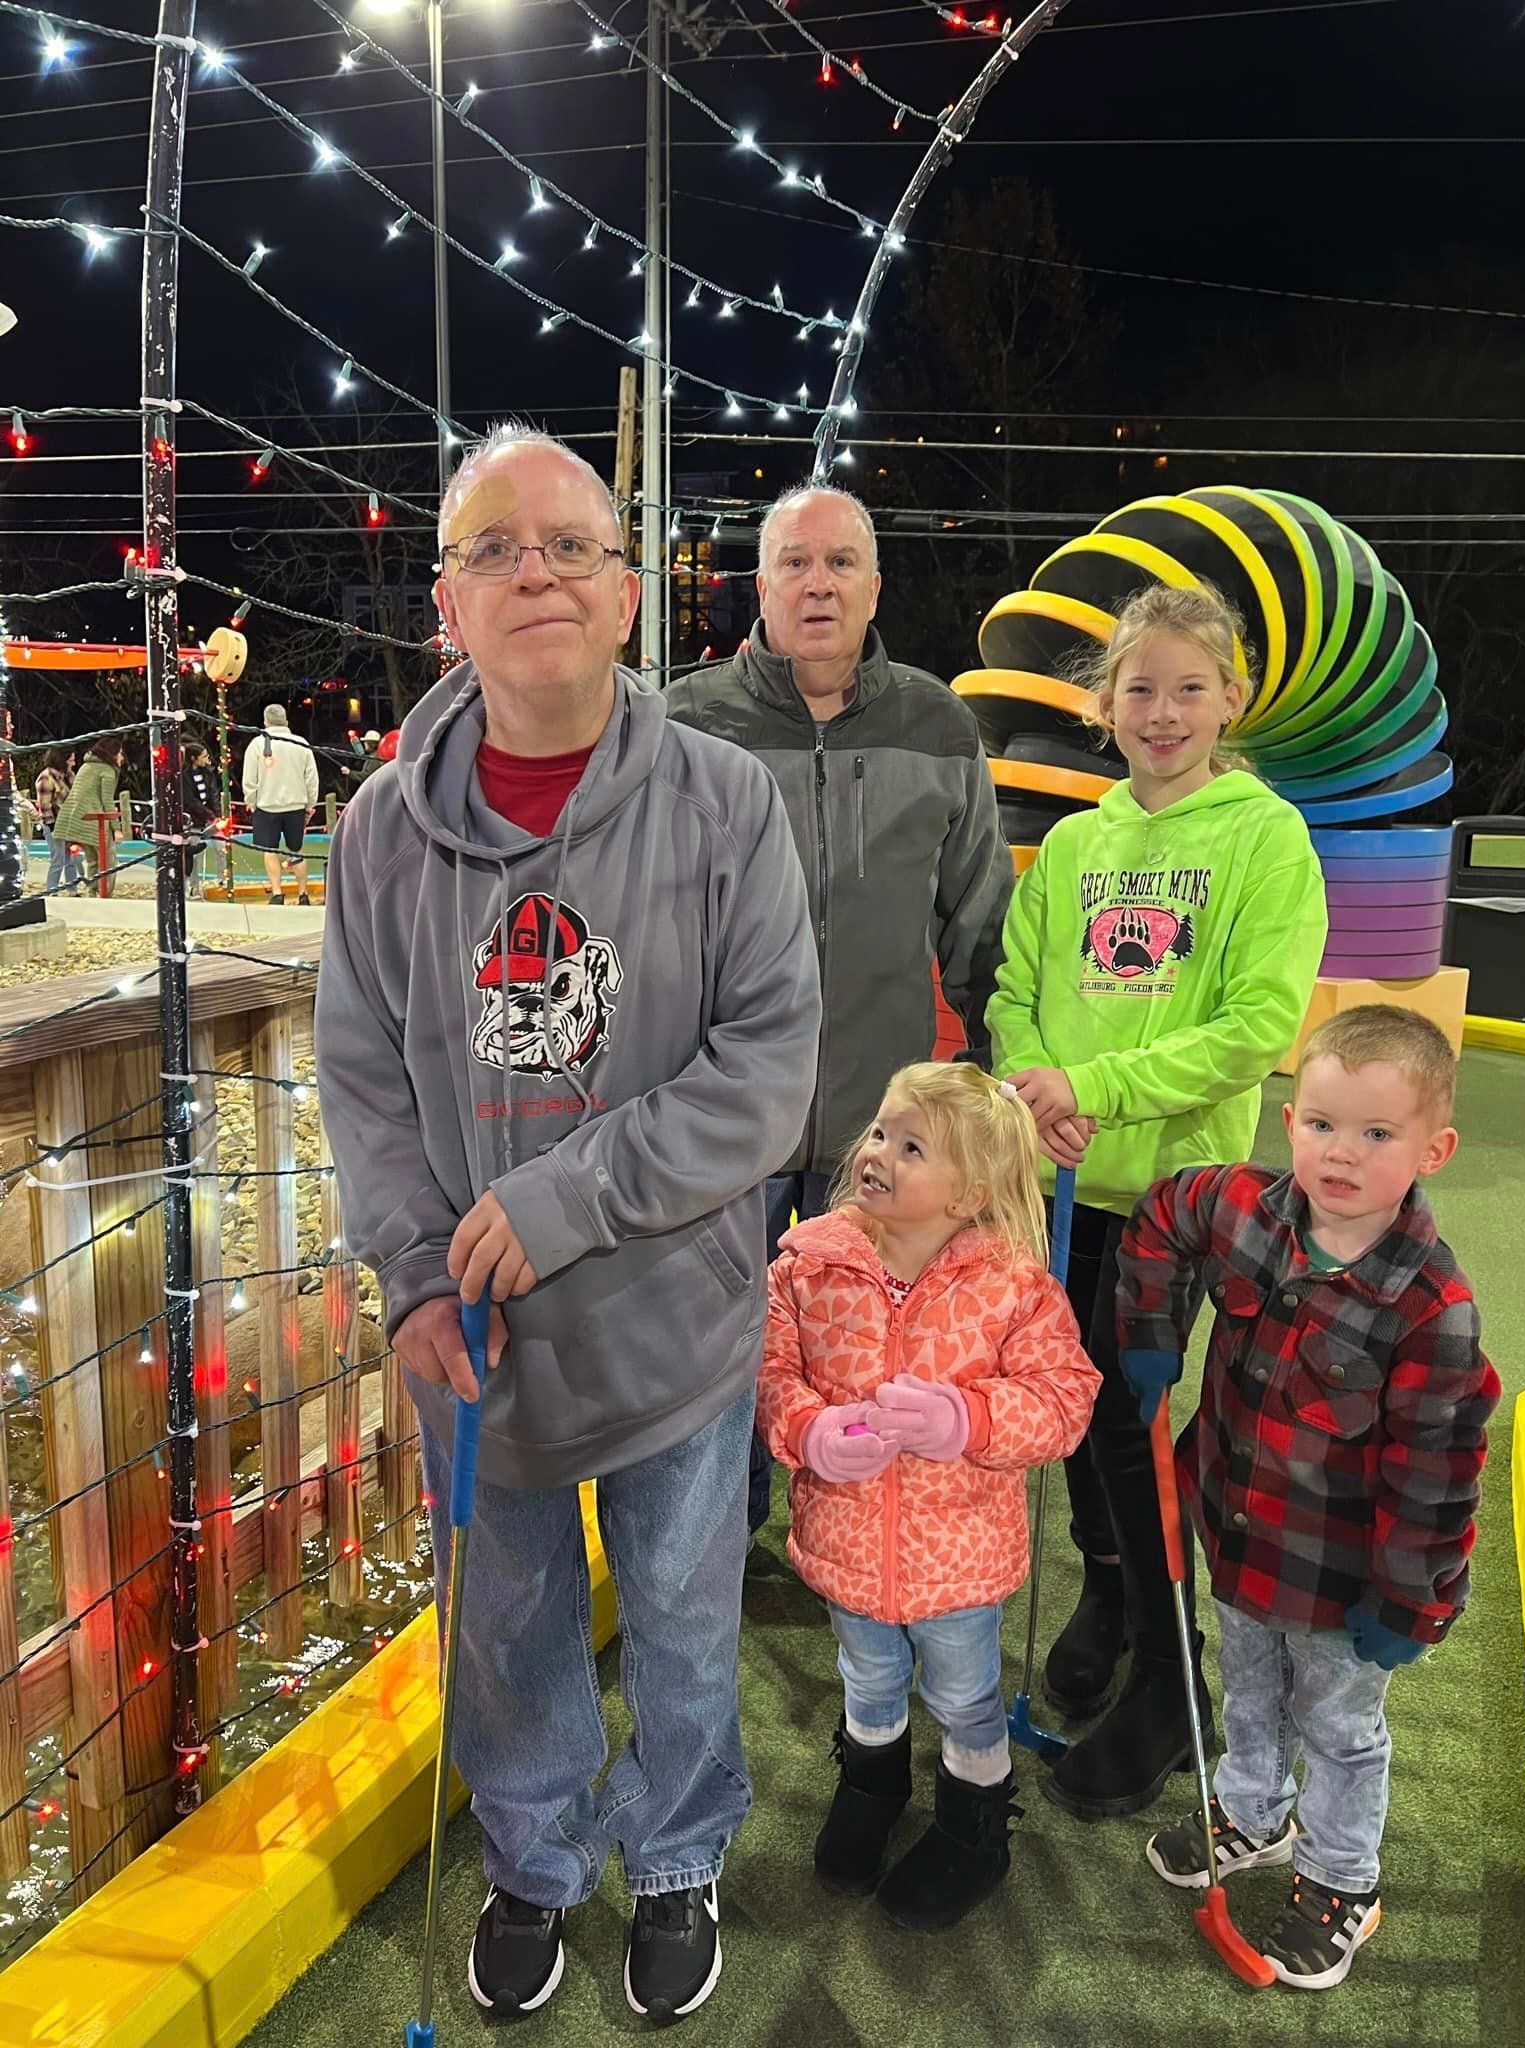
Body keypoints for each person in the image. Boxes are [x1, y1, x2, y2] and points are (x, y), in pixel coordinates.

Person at [314, 424, 819, 2026]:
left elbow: (769, 1071)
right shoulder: (378, 835)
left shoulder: (728, 802)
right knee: (513, 1630)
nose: (535, 570)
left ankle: (674, 1859)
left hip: (675, 1323)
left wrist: (567, 1193)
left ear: (626, 597)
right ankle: (533, 1860)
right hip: (481, 1348)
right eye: (493, 550)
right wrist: (412, 1278)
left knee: (680, 1617)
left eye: (572, 548)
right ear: (447, 606)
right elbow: (366, 1082)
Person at [986, 581, 1328, 1821]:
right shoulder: (1078, 845)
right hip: (1060, 1185)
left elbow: (1254, 1028)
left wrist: (1099, 1083)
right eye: (1140, 687)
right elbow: (1017, 985)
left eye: (1192, 687)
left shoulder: (1263, 836)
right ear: (1104, 706)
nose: (1165, 710)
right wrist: (1037, 1091)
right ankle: (1115, 1598)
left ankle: (1173, 1683)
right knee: (1074, 1418)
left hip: (1178, 1204)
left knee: (1139, 1427)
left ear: (1232, 696)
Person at [1121, 1006, 1499, 1989]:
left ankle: (1343, 1878)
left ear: (1435, 1147)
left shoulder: (1432, 1310)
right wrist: (1150, 1323)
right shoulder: (1244, 1204)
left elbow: (1438, 1474)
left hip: (1346, 1586)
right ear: (1289, 1120)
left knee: (1338, 1726)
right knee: (1250, 1688)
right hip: (1238, 1535)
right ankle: (1252, 1814)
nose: (1342, 1152)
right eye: (1324, 1122)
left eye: (1377, 1133)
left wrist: (1412, 1601)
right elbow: (1163, 1214)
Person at [668, 484, 1016, 1550]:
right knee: (715, 1348)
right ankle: (715, 1544)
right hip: (722, 1111)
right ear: (759, 585)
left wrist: (1001, 1077)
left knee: (862, 1347)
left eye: (841, 563)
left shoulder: (937, 723)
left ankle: (851, 1551)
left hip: (880, 1125)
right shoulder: (680, 722)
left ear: (875, 586)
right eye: (793, 562)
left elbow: (980, 916)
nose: (817, 583)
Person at [756, 1062, 1099, 1930]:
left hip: (959, 1561)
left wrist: (968, 1420)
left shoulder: (1015, 1285)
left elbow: (1064, 1399)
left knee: (964, 1694)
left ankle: (973, 1825)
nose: (880, 1154)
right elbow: (767, 1372)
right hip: (845, 1542)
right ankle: (871, 1786)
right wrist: (807, 1432)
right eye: (880, 1133)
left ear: (969, 1192)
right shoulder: (808, 1263)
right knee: (867, 1677)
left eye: (913, 1148)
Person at [241, 703, 318, 905]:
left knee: (270, 851)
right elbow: (311, 778)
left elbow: (249, 779)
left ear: (265, 721)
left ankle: (277, 892)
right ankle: (303, 894)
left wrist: (252, 800)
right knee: (297, 850)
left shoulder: (257, 744)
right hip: (295, 805)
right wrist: (310, 803)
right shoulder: (301, 743)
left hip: (267, 805)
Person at [52, 738, 122, 897]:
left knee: (92, 860)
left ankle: (91, 890)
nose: (121, 757)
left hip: (77, 818)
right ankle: (106, 893)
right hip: (95, 819)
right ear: (113, 754)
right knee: (108, 859)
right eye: (120, 753)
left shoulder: (86, 766)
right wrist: (116, 829)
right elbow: (107, 801)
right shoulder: (107, 771)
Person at [36, 748, 82, 896]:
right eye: (71, 760)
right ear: (61, 760)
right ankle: (52, 890)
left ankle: (72, 890)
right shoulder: (46, 778)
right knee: (58, 859)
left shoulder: (68, 776)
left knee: (72, 858)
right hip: (53, 823)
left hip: (69, 822)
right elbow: (45, 806)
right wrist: (53, 826)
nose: (73, 764)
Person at [181, 740, 217, 886]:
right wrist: (209, 814)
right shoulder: (183, 776)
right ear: (193, 759)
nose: (206, 759)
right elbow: (190, 801)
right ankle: (193, 886)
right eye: (203, 756)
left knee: (221, 849)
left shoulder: (209, 774)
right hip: (193, 820)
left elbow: (213, 794)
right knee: (192, 855)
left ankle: (221, 880)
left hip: (208, 818)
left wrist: (216, 815)